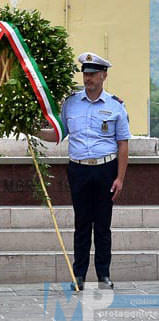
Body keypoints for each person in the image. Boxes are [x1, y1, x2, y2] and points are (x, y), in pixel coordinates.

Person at [38, 52, 131, 291]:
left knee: (102, 224)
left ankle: (103, 275)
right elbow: (59, 135)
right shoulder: (71, 103)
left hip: (105, 169)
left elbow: (123, 143)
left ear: (104, 76)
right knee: (81, 224)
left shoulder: (115, 106)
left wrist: (120, 178)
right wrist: (31, 131)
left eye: (92, 74)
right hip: (79, 169)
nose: (87, 78)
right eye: (85, 74)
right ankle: (78, 274)